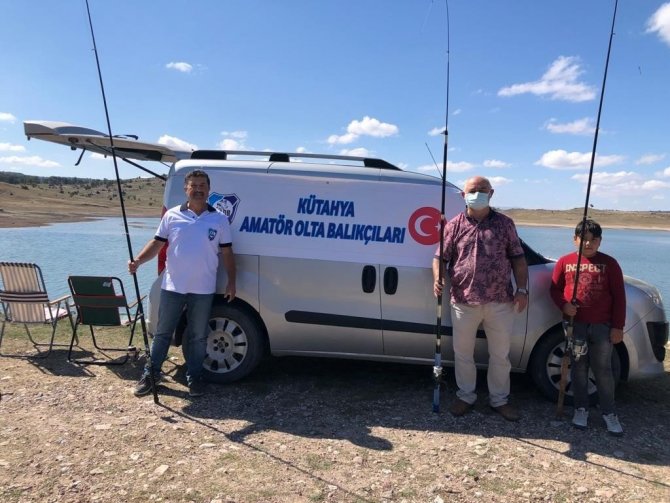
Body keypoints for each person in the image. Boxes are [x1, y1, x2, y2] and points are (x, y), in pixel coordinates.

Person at [129, 170, 236, 398]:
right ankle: (151, 375)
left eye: (202, 185)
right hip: (173, 286)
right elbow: (157, 243)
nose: (198, 189)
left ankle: (195, 378)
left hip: (203, 289)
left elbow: (227, 252)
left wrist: (232, 282)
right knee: (162, 334)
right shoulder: (172, 215)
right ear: (186, 189)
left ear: (209, 189)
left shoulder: (219, 219)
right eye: (193, 185)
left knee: (198, 336)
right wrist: (138, 260)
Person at [433, 176, 528, 421]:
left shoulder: (505, 224)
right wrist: (438, 277)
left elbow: (518, 258)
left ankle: (499, 400)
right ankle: (466, 396)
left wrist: (522, 289)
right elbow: (440, 257)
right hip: (463, 300)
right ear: (463, 195)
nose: (477, 194)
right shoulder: (453, 225)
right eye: (472, 190)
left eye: (482, 190)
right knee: (463, 353)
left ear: (491, 193)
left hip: (500, 301)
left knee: (500, 355)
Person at [550, 219, 625, 436]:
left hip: (603, 327)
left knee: (603, 369)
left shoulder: (610, 264)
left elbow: (619, 297)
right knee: (578, 367)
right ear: (575, 239)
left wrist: (617, 326)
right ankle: (580, 409)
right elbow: (554, 289)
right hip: (575, 326)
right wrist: (564, 305)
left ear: (600, 241)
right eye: (583, 239)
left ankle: (609, 412)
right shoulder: (565, 262)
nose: (588, 244)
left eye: (593, 240)